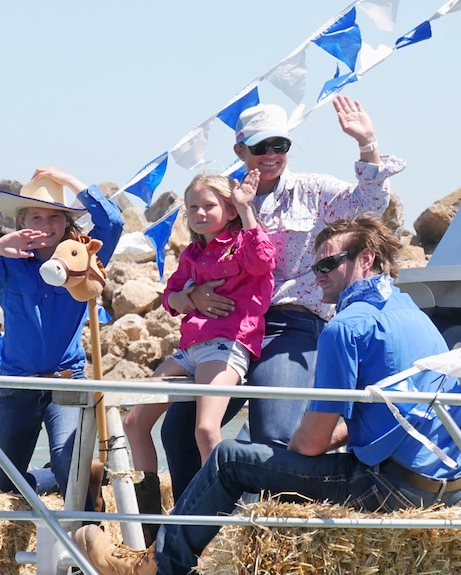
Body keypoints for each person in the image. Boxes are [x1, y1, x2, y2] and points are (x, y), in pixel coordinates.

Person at [74, 213, 461, 575]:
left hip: (389, 489)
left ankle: (156, 566)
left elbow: (312, 443)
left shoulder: (347, 327)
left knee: (230, 457)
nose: (317, 274)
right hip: (449, 490)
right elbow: (391, 411)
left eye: (328, 264)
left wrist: (292, 446)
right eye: (315, 266)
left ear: (366, 259)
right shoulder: (415, 317)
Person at [160, 95, 407, 500]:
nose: (271, 155)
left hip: (289, 325)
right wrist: (191, 297)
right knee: (178, 429)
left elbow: (370, 205)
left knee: (274, 432)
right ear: (240, 150)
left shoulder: (314, 190)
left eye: (280, 145)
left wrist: (367, 143)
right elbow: (192, 264)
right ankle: (182, 540)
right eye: (260, 147)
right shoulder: (219, 196)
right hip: (227, 328)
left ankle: (262, 537)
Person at [0, 166, 123, 513]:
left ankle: (89, 538)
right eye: (36, 217)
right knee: (1, 486)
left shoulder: (83, 257)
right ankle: (56, 477)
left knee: (68, 461)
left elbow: (113, 224)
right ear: (21, 222)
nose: (44, 225)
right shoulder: (8, 263)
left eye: (54, 217)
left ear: (65, 222)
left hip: (66, 382)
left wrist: (70, 180)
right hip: (18, 385)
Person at [122, 170, 275, 543]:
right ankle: (150, 527)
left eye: (210, 205)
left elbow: (264, 261)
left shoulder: (242, 243)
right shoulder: (192, 253)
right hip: (190, 349)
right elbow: (169, 298)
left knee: (205, 429)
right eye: (193, 207)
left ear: (230, 209)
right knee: (133, 421)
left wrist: (247, 209)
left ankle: (219, 522)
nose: (200, 213)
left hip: (228, 345)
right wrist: (189, 297)